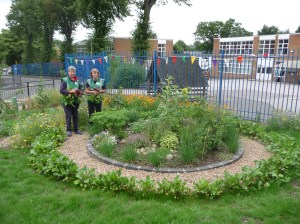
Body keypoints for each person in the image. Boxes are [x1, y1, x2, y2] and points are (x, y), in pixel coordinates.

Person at [60, 65, 83, 137]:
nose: (72, 73)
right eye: (71, 71)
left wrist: (80, 93)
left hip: (75, 101)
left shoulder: (77, 80)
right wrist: (70, 92)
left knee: (76, 116)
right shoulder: (65, 80)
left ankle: (76, 129)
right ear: (68, 72)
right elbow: (61, 90)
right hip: (67, 101)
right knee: (68, 116)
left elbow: (80, 89)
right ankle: (69, 130)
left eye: (74, 72)